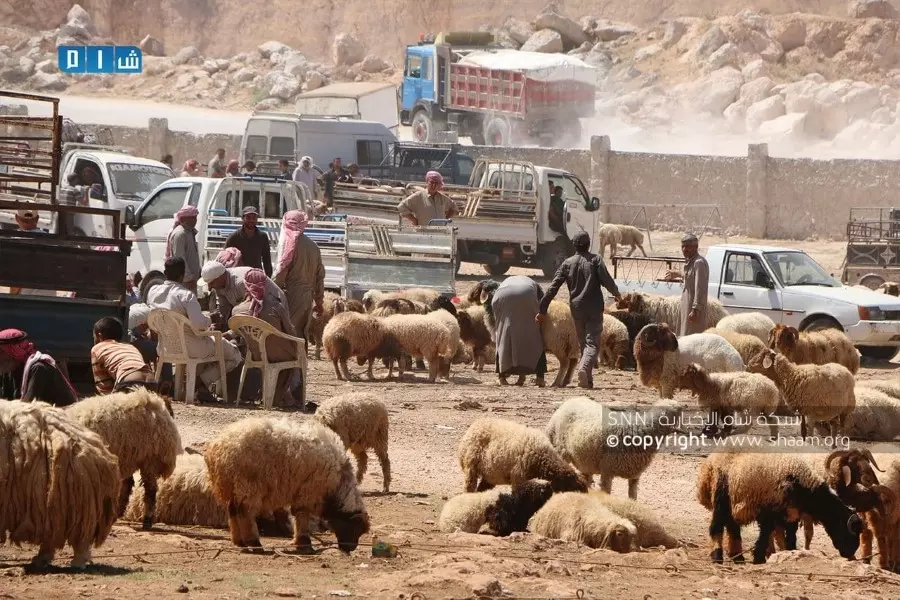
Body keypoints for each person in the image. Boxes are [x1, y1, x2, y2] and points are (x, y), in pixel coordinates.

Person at [146, 257, 243, 403]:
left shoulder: (152, 291)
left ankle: (189, 388)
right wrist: (211, 319)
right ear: (183, 275)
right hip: (192, 348)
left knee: (209, 348)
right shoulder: (186, 295)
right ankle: (201, 383)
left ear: (165, 273)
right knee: (234, 355)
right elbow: (198, 325)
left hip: (165, 347)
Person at [537, 232, 622, 389]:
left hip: (576, 309)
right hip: (595, 307)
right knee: (592, 344)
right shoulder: (596, 260)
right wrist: (617, 294)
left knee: (584, 343)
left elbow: (553, 288)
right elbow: (607, 281)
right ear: (588, 244)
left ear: (574, 245)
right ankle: (583, 370)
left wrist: (542, 309)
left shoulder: (567, 263)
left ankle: (587, 381)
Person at [231, 268, 305, 409]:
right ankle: (286, 396)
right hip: (279, 355)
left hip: (255, 355)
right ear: (265, 284)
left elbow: (236, 331)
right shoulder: (275, 306)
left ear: (246, 286)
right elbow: (291, 331)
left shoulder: (237, 311)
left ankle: (274, 395)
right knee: (293, 355)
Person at [485, 276, 548, 386]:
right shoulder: (535, 286)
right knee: (534, 335)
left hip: (501, 295)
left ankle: (502, 377)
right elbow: (542, 303)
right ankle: (540, 378)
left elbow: (493, 308)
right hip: (527, 294)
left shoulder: (504, 282)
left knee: (504, 335)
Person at [273, 210, 325, 341]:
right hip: (308, 297)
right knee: (303, 332)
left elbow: (281, 274)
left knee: (289, 333)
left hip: (292, 295)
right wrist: (319, 302)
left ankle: (293, 361)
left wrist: (269, 292)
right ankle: (302, 361)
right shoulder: (314, 247)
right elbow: (320, 277)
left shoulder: (289, 245)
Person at [0, 328, 78, 406]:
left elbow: (27, 406)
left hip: (58, 414)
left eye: (1, 352)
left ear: (13, 352)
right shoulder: (9, 368)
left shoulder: (38, 368)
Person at [90, 317, 155, 394]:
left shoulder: (97, 348)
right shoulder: (129, 346)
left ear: (99, 336)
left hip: (131, 380)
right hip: (151, 380)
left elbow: (104, 386)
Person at [669, 233, 710, 336]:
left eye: (687, 246)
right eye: (683, 246)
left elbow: (700, 288)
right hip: (686, 306)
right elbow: (690, 277)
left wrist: (695, 309)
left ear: (695, 247)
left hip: (693, 309)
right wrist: (677, 274)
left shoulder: (698, 263)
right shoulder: (690, 263)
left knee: (692, 338)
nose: (684, 249)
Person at [224, 206, 273, 276]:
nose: (251, 220)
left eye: (254, 217)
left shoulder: (263, 237)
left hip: (256, 276)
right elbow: (224, 259)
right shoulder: (233, 237)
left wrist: (268, 278)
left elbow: (267, 259)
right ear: (242, 218)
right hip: (239, 277)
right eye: (248, 217)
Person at [201, 261, 252, 327]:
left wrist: (232, 333)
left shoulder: (241, 282)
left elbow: (252, 310)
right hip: (248, 316)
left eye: (211, 283)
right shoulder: (220, 286)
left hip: (265, 312)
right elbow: (223, 308)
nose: (209, 288)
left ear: (220, 278)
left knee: (237, 311)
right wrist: (219, 323)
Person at [165, 205, 201, 293]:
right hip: (185, 281)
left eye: (195, 217)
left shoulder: (189, 232)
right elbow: (180, 258)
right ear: (183, 219)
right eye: (192, 218)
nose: (195, 220)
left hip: (191, 280)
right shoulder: (180, 234)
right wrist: (188, 278)